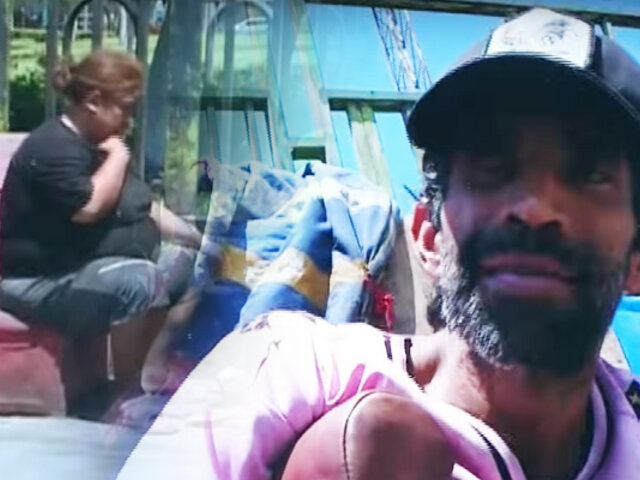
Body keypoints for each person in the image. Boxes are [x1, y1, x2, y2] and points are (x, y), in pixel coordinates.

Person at [115, 8, 640, 480]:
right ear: (429, 236)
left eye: (590, 175)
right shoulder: (284, 372)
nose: (535, 207)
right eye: (493, 166)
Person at [0, 50, 201, 400]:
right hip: (35, 282)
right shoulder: (52, 147)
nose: (130, 121)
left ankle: (152, 374)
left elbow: (145, 206)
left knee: (191, 268)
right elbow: (90, 207)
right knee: (138, 281)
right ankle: (126, 398)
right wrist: (120, 156)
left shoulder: (98, 146)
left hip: (82, 270)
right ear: (93, 101)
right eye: (126, 108)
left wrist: (198, 240)